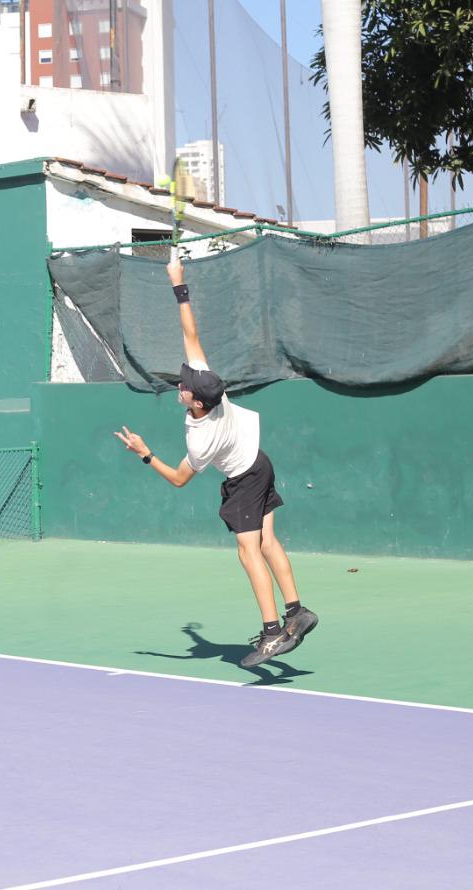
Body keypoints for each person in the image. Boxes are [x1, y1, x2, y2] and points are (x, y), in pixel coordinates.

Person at [113, 254, 317, 668]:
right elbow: (190, 332)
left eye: (185, 387)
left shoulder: (201, 437)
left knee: (248, 551)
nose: (181, 383)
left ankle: (272, 632)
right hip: (260, 462)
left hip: (243, 480)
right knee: (268, 541)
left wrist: (145, 453)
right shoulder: (211, 387)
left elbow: (178, 479)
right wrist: (178, 283)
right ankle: (297, 611)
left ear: (197, 402)